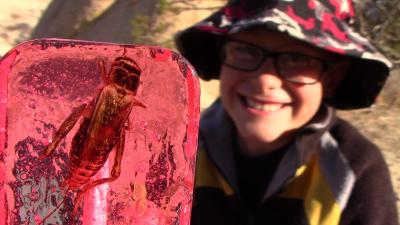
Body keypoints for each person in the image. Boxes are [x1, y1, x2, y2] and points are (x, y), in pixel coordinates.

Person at [174, 0, 399, 224]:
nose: (265, 81)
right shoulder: (179, 151)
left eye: (298, 59)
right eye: (244, 50)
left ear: (332, 78)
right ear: (222, 56)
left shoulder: (354, 169)